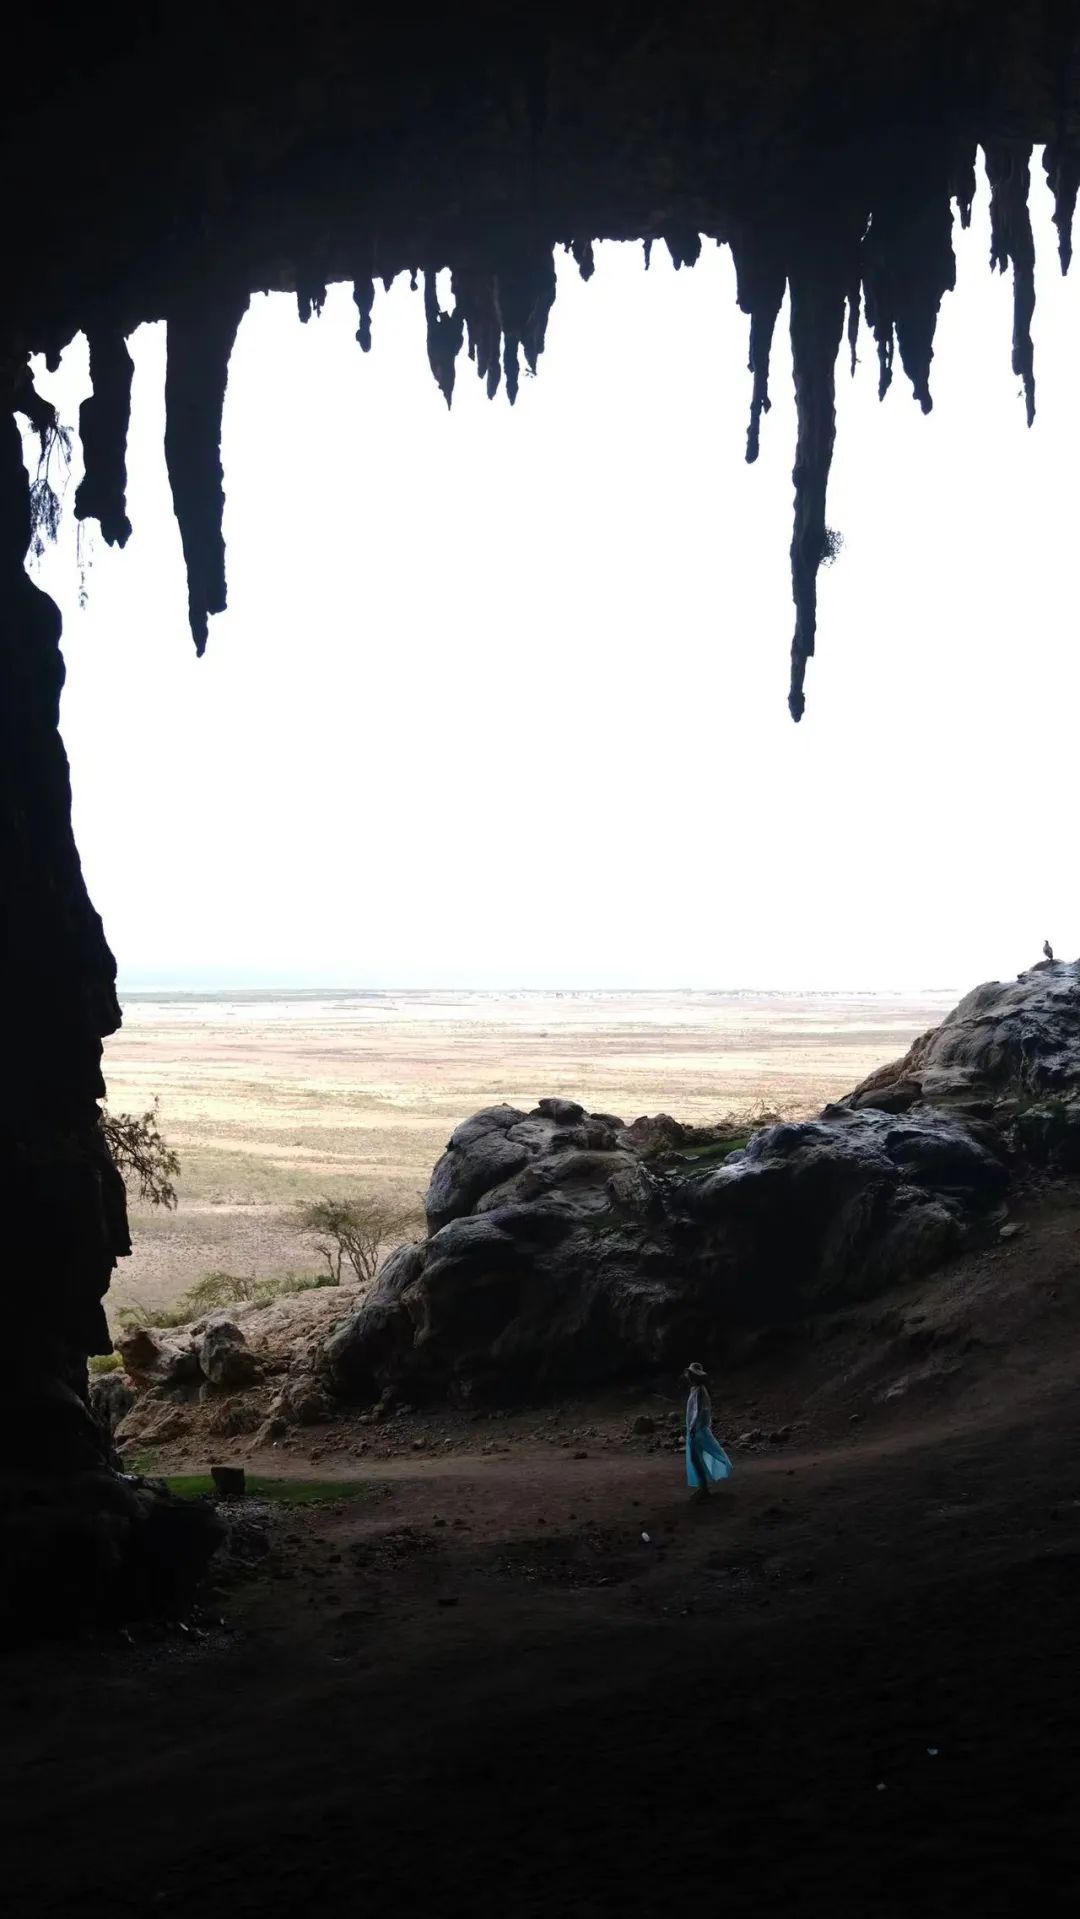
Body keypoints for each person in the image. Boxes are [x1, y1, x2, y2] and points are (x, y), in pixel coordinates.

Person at [685, 1361, 732, 1500]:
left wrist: (693, 1427)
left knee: (696, 1458)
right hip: (695, 1429)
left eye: (691, 1374)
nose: (689, 1376)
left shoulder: (700, 1390)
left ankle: (704, 1489)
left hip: (697, 1429)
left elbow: (699, 1411)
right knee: (695, 1458)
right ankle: (703, 1488)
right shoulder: (696, 1389)